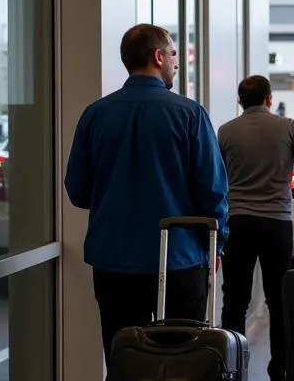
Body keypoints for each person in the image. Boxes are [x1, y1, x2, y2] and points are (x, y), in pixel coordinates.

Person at [64, 24, 229, 360]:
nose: (176, 63)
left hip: (113, 261)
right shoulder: (190, 114)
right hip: (179, 259)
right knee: (183, 362)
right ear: (157, 57)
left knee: (123, 360)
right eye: (172, 54)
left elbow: (78, 191)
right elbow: (212, 191)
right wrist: (217, 242)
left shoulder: (95, 115)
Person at [218, 75, 294, 381]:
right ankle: (279, 375)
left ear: (240, 101)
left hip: (237, 222)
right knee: (278, 301)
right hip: (275, 223)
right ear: (269, 99)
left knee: (235, 300)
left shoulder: (226, 131)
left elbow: (216, 175)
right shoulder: (288, 127)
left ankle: (232, 372)